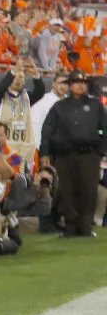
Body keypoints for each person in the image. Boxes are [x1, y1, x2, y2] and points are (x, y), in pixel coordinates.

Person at [38, 71, 106, 238]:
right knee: (67, 190)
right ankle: (70, 227)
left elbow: (105, 129)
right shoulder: (59, 107)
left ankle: (85, 227)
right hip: (64, 155)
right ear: (70, 85)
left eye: (83, 82)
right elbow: (47, 130)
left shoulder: (96, 105)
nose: (80, 85)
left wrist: (100, 151)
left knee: (89, 191)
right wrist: (44, 153)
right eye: (76, 82)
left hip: (89, 154)